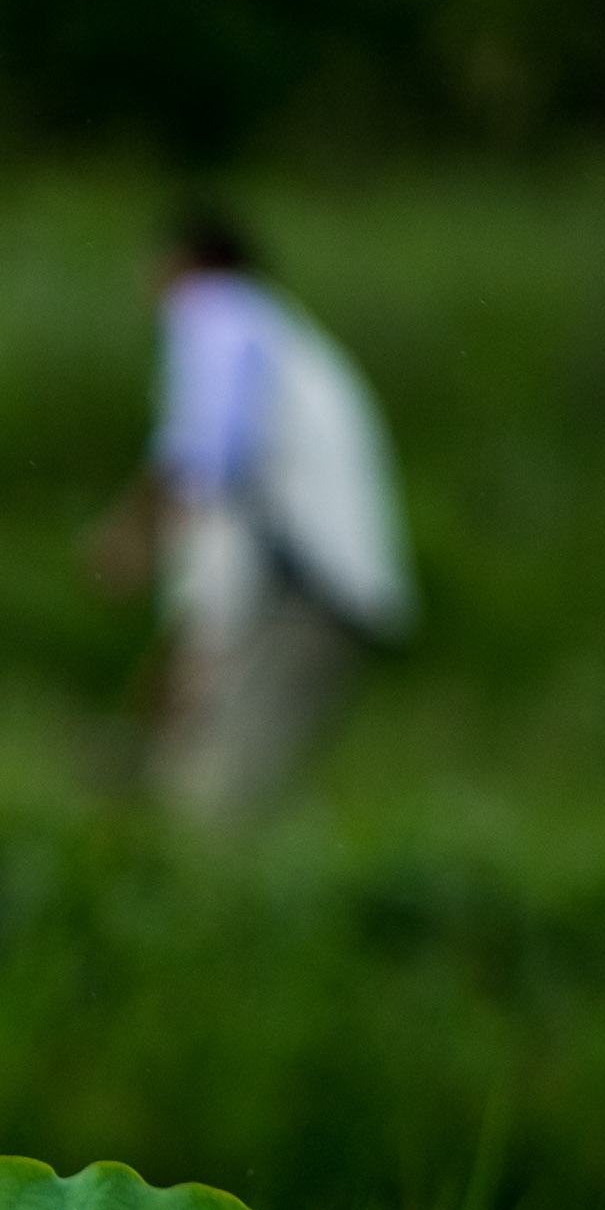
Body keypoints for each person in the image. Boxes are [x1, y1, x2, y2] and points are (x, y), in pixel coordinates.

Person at [92, 208, 413, 826]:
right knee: (211, 783)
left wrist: (135, 533)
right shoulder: (276, 336)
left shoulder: (217, 316)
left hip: (304, 590)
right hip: (321, 588)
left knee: (207, 801)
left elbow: (207, 461)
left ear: (186, 265)